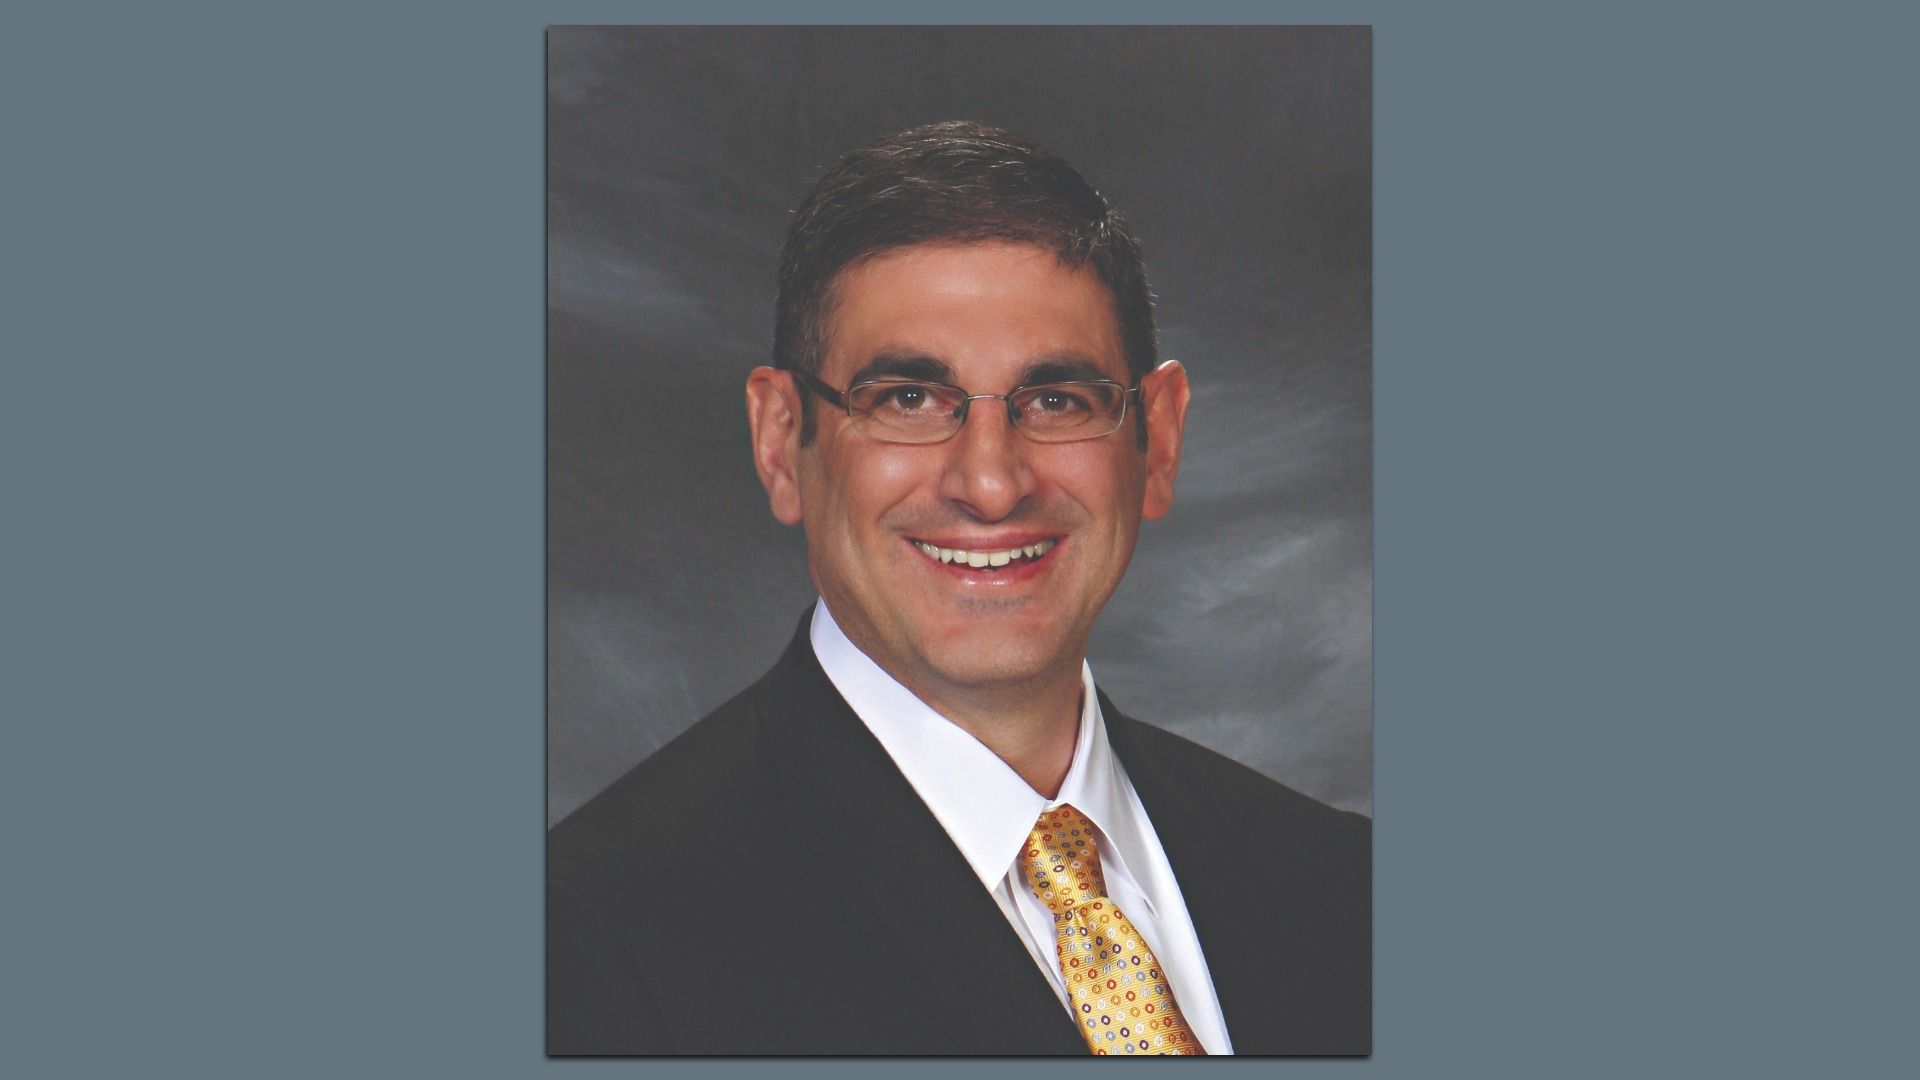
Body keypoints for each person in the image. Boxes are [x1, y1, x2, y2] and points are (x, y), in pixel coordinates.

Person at [547, 121, 1368, 1056]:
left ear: (1159, 441)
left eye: (1059, 400)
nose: (991, 482)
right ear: (781, 442)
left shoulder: (1343, 888)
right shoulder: (596, 940)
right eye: (907, 399)